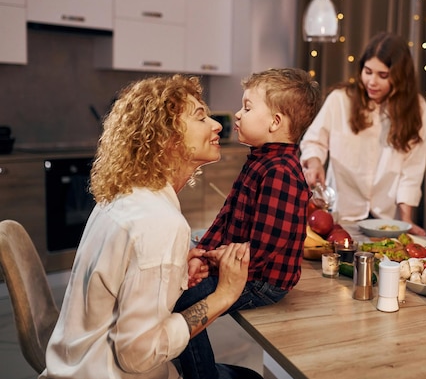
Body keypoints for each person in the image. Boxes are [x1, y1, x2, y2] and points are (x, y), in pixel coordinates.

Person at [39, 75, 261, 379]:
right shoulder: (160, 223)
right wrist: (225, 294)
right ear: (166, 138)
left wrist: (177, 267)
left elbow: (123, 276)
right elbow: (138, 355)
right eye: (200, 117)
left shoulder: (125, 195)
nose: (217, 125)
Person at [174, 68, 323, 379]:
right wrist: (203, 253)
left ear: (275, 123)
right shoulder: (261, 160)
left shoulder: (280, 171)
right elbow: (227, 217)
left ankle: (203, 376)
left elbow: (264, 248)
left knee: (185, 304)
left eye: (247, 107)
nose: (238, 115)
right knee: (178, 292)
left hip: (262, 280)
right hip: (244, 268)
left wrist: (214, 263)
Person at [300, 31, 426, 236]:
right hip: (343, 213)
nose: (372, 81)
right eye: (368, 71)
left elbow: (411, 171)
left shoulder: (418, 109)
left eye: (383, 75)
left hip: (386, 218)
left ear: (400, 77)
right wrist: (314, 162)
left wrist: (405, 219)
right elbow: (314, 141)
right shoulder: (340, 99)